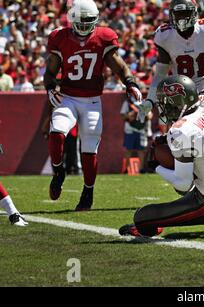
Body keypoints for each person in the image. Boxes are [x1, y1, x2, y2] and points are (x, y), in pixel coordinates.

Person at [119, 75, 204, 237]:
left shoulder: (182, 130)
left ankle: (154, 224)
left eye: (165, 103)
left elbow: (183, 185)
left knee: (141, 218)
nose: (163, 108)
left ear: (177, 103)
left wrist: (155, 165)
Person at [44, 0, 143, 211]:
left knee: (89, 150)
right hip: (68, 97)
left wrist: (130, 83)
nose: (84, 25)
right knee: (57, 132)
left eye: (88, 21)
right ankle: (58, 170)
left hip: (92, 100)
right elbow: (50, 72)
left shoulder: (103, 37)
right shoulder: (60, 37)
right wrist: (50, 88)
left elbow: (120, 66)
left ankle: (88, 192)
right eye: (80, 21)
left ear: (95, 20)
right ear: (72, 19)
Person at [120, 98, 152, 173]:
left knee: (141, 150)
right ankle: (125, 170)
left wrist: (142, 113)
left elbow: (150, 116)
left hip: (142, 130)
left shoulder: (145, 102)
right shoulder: (128, 102)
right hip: (130, 130)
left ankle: (141, 170)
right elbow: (123, 116)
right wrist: (130, 116)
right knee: (128, 150)